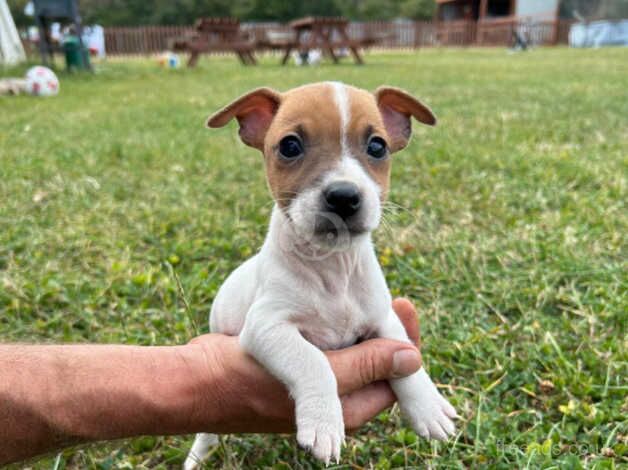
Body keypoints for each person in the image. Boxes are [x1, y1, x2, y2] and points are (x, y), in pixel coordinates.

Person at [0, 298, 422, 465]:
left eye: (375, 149)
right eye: (292, 148)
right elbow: (262, 329)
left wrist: (416, 387)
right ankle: (204, 441)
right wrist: (207, 384)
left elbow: (381, 315)